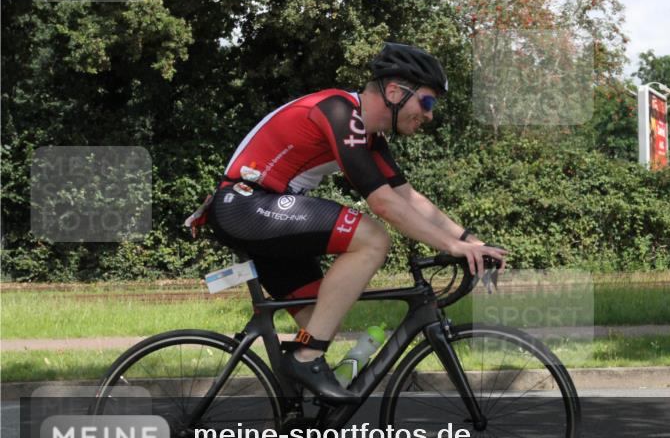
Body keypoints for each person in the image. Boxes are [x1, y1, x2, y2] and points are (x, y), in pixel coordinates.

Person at [186, 42, 507, 402]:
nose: (430, 115)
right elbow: (383, 203)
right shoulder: (339, 111)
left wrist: (470, 241)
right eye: (427, 103)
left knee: (321, 321)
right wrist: (450, 246)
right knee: (372, 237)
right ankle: (306, 360)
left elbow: (407, 196)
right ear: (394, 92)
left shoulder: (368, 135)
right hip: (245, 204)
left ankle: (294, 431)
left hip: (264, 212)